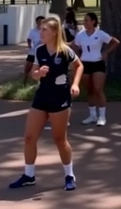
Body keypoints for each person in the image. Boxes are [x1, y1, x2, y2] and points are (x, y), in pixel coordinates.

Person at [8, 16, 83, 191]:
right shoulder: (39, 50)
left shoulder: (65, 51)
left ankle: (69, 175)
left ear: (54, 32)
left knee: (59, 139)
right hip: (42, 96)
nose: (40, 32)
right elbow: (34, 73)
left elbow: (79, 66)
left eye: (44, 30)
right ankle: (29, 175)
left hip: (60, 96)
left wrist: (75, 84)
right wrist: (38, 73)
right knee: (29, 137)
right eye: (40, 29)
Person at [69, 12, 120, 127]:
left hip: (98, 63)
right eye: (84, 21)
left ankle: (102, 116)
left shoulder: (100, 34)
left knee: (98, 89)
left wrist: (106, 53)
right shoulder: (80, 35)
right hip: (85, 64)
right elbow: (74, 46)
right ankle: (92, 115)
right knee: (90, 90)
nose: (85, 23)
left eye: (87, 20)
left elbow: (115, 42)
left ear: (93, 21)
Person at [24, 16, 45, 85]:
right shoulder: (32, 31)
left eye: (42, 22)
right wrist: (29, 46)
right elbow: (29, 39)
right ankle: (24, 82)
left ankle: (38, 83)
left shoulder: (46, 31)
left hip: (43, 53)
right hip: (33, 52)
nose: (40, 23)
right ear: (36, 22)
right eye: (39, 22)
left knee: (40, 69)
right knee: (27, 68)